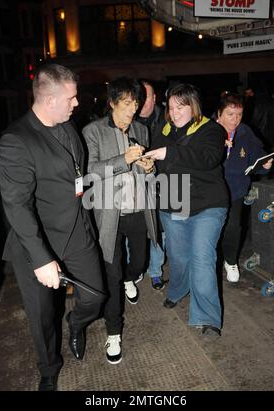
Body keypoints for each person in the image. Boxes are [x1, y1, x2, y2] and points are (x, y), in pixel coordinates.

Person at [0, 64, 105, 391]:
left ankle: (76, 323)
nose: (77, 103)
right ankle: (49, 368)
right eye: (71, 98)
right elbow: (16, 205)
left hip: (77, 233)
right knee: (43, 318)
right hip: (37, 245)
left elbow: (75, 176)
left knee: (93, 299)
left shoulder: (68, 126)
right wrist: (43, 260)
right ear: (50, 99)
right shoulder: (16, 140)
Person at [82, 77, 157, 364]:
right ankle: (114, 332)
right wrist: (123, 159)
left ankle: (130, 277)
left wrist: (149, 168)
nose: (133, 109)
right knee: (111, 278)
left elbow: (146, 170)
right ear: (112, 103)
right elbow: (90, 171)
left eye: (136, 103)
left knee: (139, 264)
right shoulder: (92, 131)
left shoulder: (141, 129)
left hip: (137, 210)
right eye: (127, 103)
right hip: (109, 215)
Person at [145, 83, 228, 336]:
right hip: (173, 203)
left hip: (207, 204)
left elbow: (207, 158)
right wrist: (149, 165)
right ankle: (179, 290)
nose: (175, 112)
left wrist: (168, 152)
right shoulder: (163, 129)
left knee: (202, 258)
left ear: (193, 106)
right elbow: (161, 166)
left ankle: (208, 317)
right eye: (171, 107)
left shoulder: (211, 130)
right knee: (179, 258)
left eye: (181, 107)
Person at [216, 93, 273, 282]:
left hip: (236, 189)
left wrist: (265, 164)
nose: (235, 120)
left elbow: (258, 154)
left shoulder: (245, 131)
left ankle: (230, 261)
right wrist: (218, 144)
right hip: (211, 188)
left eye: (239, 114)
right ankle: (209, 261)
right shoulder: (207, 130)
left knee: (233, 227)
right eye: (231, 114)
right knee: (212, 227)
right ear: (219, 114)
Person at [137, 80, 166, 290]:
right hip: (135, 184)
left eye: (146, 96)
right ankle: (136, 268)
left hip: (163, 183)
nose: (141, 102)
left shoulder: (167, 118)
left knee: (158, 229)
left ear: (154, 98)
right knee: (136, 229)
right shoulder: (128, 119)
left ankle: (155, 271)